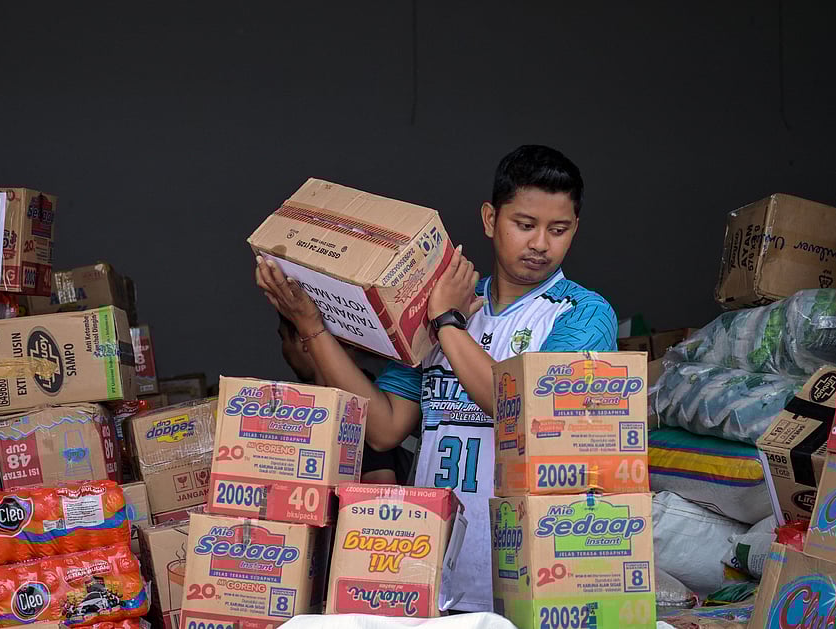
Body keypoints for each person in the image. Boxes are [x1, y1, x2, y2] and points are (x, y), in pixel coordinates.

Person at [255, 145, 617, 612]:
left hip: (534, 580)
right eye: (524, 225)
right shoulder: (442, 306)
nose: (540, 244)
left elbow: (529, 410)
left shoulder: (584, 313)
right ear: (490, 219)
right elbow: (385, 427)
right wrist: (311, 327)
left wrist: (446, 322)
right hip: (430, 574)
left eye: (559, 229)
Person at [277, 314, 414, 485]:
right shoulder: (368, 393)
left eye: (284, 338)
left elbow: (379, 485)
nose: (284, 349)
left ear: (301, 340)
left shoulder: (355, 403)